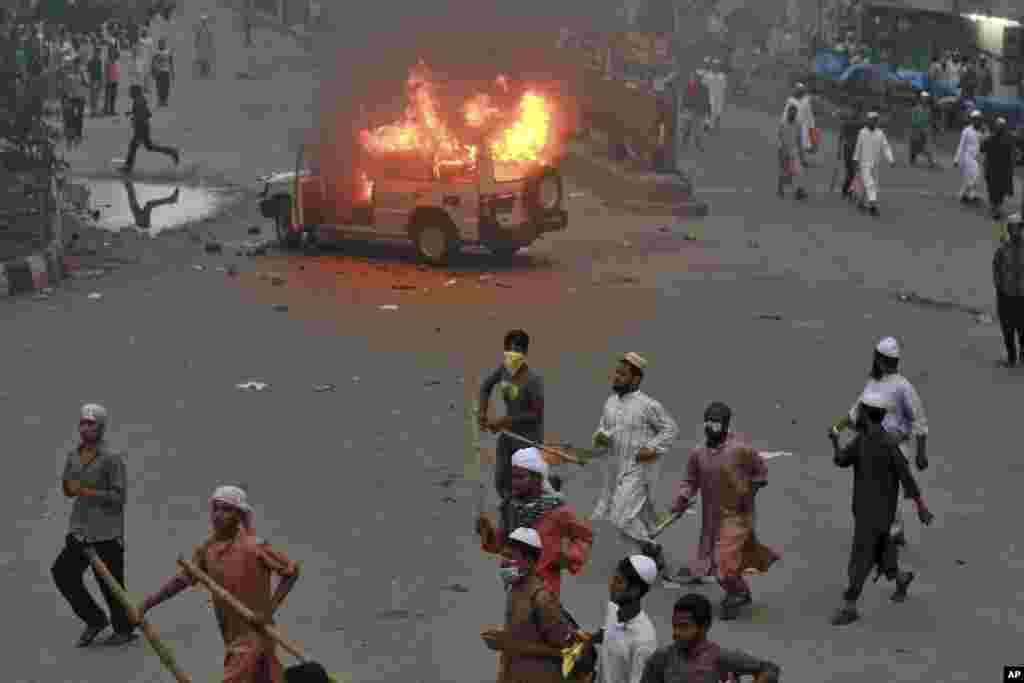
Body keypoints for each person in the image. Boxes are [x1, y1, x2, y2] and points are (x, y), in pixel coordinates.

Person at [138, 485, 301, 683]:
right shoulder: (207, 550)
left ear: (239, 515)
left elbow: (291, 571)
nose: (218, 515)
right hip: (232, 637)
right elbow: (181, 581)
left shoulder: (254, 547)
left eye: (226, 510)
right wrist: (148, 603)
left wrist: (268, 611)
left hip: (254, 636)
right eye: (215, 508)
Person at [827, 392, 934, 625]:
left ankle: (850, 607)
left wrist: (834, 441)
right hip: (881, 515)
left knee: (859, 559)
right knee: (883, 549)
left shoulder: (866, 441)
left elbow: (840, 459)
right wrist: (921, 507)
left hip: (867, 515)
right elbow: (907, 479)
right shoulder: (885, 444)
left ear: (866, 415)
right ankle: (901, 578)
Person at [670, 402, 780, 620]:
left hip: (738, 516)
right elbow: (690, 480)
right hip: (712, 518)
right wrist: (683, 497)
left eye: (716, 423)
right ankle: (739, 591)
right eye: (707, 422)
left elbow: (760, 472)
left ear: (726, 425)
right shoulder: (698, 453)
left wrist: (749, 494)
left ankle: (737, 592)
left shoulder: (740, 450)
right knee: (714, 563)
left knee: (723, 563)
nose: (710, 427)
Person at [51, 404, 138, 647]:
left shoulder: (111, 458)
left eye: (91, 424)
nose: (85, 428)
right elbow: (69, 489)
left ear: (101, 427)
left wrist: (87, 492)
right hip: (79, 530)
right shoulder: (73, 455)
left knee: (111, 585)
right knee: (63, 574)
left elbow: (119, 497)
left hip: (106, 533)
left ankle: (124, 629)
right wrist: (69, 487)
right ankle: (95, 619)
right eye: (82, 423)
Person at [832, 337, 929, 546]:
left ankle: (893, 531)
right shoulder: (872, 383)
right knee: (873, 487)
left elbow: (919, 419)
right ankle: (882, 529)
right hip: (870, 443)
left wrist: (921, 452)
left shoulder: (904, 387)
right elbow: (856, 411)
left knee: (891, 489)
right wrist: (836, 428)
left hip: (895, 445)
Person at [592, 353, 679, 576]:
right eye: (616, 372)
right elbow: (603, 429)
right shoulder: (610, 403)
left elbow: (670, 429)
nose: (616, 377)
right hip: (615, 467)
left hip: (638, 469)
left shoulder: (648, 405)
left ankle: (650, 548)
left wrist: (652, 447)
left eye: (623, 374)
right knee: (629, 518)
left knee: (620, 517)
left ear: (636, 379)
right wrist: (600, 437)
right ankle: (641, 559)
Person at [477, 447, 593, 597]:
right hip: (516, 588)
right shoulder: (510, 509)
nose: (514, 482)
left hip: (545, 590)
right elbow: (502, 544)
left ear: (537, 479)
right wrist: (487, 532)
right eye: (513, 477)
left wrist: (568, 556)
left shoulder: (558, 512)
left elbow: (584, 537)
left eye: (520, 477)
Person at [493, 527, 589, 683]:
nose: (503, 562)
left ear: (530, 561)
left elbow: (568, 650)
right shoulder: (514, 590)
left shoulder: (541, 599)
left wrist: (510, 644)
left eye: (510, 557)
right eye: (503, 555)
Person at [638, 593, 781, 682]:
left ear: (704, 626)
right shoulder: (661, 658)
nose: (675, 633)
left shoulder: (721, 657)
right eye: (674, 625)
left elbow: (770, 669)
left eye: (683, 626)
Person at [479, 329, 545, 511]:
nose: (512, 353)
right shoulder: (503, 371)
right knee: (501, 480)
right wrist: (482, 413)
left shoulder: (534, 380)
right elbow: (485, 387)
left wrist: (503, 422)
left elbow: (536, 415)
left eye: (517, 349)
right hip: (508, 436)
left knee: (525, 486)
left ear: (525, 352)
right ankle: (511, 509)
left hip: (528, 439)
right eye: (508, 349)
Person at [587, 555, 658, 683]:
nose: (611, 585)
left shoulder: (644, 641)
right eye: (613, 578)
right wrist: (589, 640)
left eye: (618, 581)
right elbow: (610, 634)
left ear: (635, 590)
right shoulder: (614, 609)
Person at [120, 83, 180, 173]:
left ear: (135, 92)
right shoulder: (140, 99)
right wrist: (132, 113)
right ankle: (172, 152)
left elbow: (144, 114)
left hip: (141, 127)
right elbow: (148, 113)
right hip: (143, 126)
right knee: (148, 147)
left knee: (134, 146)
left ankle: (128, 167)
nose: (129, 93)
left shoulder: (139, 101)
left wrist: (134, 117)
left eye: (131, 92)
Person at [992, 214, 1024, 367]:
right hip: (1006, 295)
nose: (1015, 231)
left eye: (1018, 228)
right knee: (1007, 328)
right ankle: (1011, 357)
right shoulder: (1002, 250)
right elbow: (996, 269)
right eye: (1012, 228)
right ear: (1009, 230)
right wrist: (999, 288)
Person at [853, 111, 894, 216]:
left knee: (869, 185)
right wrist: (855, 160)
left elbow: (886, 147)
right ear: (868, 121)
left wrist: (891, 159)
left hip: (875, 164)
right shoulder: (862, 132)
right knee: (870, 184)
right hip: (864, 164)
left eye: (875, 120)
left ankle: (860, 202)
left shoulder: (880, 133)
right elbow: (858, 147)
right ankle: (873, 206)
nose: (873, 122)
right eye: (871, 120)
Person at [981, 117, 1016, 219]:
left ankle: (996, 209)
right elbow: (983, 148)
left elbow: (982, 148)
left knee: (995, 190)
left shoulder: (992, 138)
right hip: (998, 169)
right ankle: (996, 208)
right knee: (997, 190)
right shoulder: (1006, 138)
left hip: (996, 169)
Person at [778, 103, 807, 200]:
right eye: (791, 112)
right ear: (788, 113)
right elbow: (779, 137)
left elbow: (799, 139)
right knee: (784, 171)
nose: (793, 114)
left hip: (794, 151)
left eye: (795, 113)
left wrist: (802, 155)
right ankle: (780, 188)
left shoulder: (798, 124)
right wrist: (780, 150)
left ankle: (799, 191)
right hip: (784, 149)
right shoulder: (782, 123)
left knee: (799, 171)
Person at [954, 110, 984, 205]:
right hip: (967, 157)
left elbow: (983, 143)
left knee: (974, 178)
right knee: (972, 177)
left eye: (979, 119)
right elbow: (961, 145)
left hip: (976, 158)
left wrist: (984, 133)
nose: (977, 121)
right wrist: (956, 159)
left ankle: (967, 195)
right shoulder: (966, 131)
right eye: (975, 119)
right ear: (972, 120)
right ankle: (968, 196)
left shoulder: (981, 131)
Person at [783, 82, 815, 156]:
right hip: (792, 124)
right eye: (797, 89)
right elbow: (786, 112)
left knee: (802, 144)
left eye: (800, 90)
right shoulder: (790, 100)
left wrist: (811, 125)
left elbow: (809, 114)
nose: (797, 91)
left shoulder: (806, 101)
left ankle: (801, 158)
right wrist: (784, 121)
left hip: (802, 125)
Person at [838, 104, 863, 198]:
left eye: (858, 111)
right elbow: (841, 136)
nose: (856, 112)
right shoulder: (848, 122)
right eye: (855, 110)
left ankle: (849, 190)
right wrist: (839, 151)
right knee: (850, 172)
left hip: (857, 150)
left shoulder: (860, 123)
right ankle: (846, 190)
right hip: (848, 149)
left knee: (854, 172)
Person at [908, 92, 938, 168]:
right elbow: (913, 120)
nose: (925, 100)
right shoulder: (916, 109)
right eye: (924, 98)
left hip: (925, 130)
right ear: (921, 99)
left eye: (926, 98)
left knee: (927, 146)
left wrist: (932, 127)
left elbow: (930, 120)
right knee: (915, 146)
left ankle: (931, 161)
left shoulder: (928, 109)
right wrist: (916, 127)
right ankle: (913, 158)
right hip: (916, 130)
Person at [150, 38, 173, 107]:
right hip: (159, 72)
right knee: (159, 87)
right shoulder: (156, 52)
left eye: (163, 43)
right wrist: (153, 71)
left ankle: (165, 100)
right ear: (158, 44)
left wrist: (172, 72)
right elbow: (153, 62)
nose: (161, 45)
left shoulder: (168, 52)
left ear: (164, 44)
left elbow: (171, 62)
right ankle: (160, 100)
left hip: (166, 71)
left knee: (166, 87)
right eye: (160, 44)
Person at [194, 14, 215, 78]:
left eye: (204, 21)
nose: (203, 22)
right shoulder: (199, 28)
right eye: (203, 21)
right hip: (201, 45)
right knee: (202, 59)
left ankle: (205, 71)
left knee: (206, 59)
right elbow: (197, 37)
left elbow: (210, 37)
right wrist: (196, 43)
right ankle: (202, 71)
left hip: (206, 45)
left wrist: (210, 44)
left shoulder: (208, 28)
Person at [104, 42, 120, 116]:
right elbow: (106, 71)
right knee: (108, 97)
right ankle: (106, 110)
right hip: (109, 81)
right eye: (111, 51)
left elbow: (117, 71)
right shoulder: (108, 61)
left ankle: (112, 110)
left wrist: (117, 79)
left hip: (115, 80)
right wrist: (107, 79)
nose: (112, 52)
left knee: (113, 96)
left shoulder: (116, 61)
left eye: (113, 51)